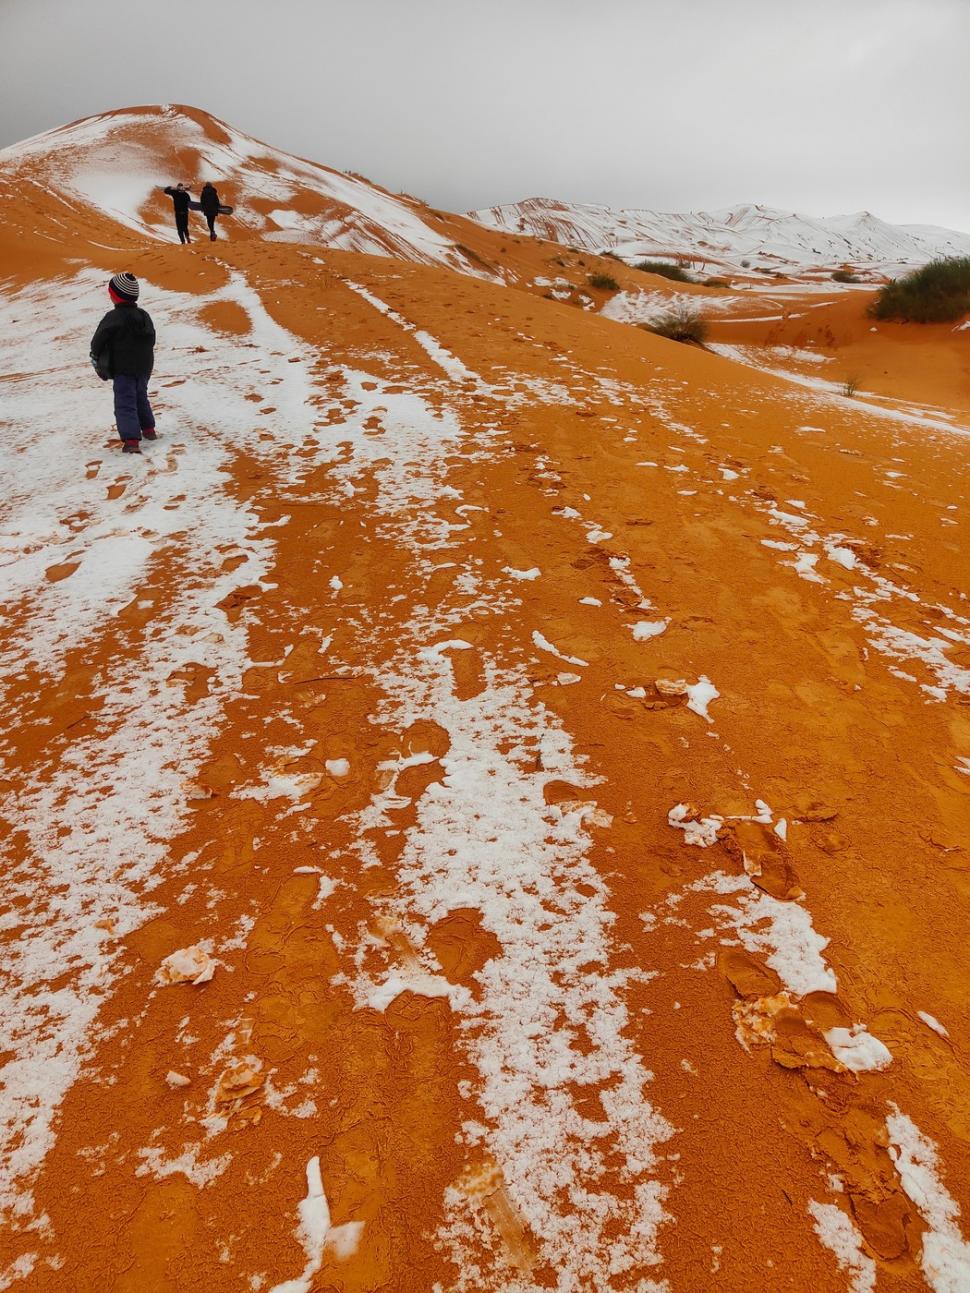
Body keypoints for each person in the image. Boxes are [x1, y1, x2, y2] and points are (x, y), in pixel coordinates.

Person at [90, 273, 157, 455]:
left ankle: (131, 440)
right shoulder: (144, 315)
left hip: (123, 368)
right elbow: (151, 338)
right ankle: (149, 429)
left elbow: (98, 340)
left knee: (125, 402)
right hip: (143, 367)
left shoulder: (113, 317)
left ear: (115, 296)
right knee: (140, 396)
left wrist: (95, 356)